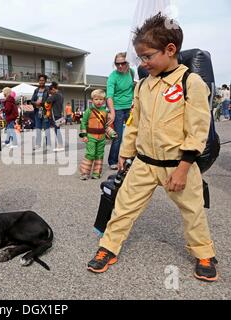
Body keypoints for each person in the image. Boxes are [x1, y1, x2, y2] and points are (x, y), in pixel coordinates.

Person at [87, 13, 218, 282]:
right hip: (144, 163)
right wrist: (125, 151)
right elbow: (135, 122)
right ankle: (108, 247)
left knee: (192, 211)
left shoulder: (190, 83)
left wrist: (184, 168)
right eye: (141, 59)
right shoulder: (143, 86)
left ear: (170, 50)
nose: (144, 64)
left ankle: (204, 253)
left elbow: (197, 129)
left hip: (178, 165)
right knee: (123, 207)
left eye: (147, 57)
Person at [79, 89, 117, 180]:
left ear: (104, 101)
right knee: (90, 154)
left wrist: (112, 133)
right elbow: (83, 122)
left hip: (102, 137)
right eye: (96, 99)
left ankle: (96, 173)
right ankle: (84, 173)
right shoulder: (89, 111)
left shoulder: (105, 112)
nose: (99, 101)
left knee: (99, 154)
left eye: (101, 99)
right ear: (92, 100)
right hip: (91, 136)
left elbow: (106, 125)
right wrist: (84, 135)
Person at [106, 52, 135, 170]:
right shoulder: (113, 76)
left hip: (130, 107)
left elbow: (134, 88)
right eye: (117, 64)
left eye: (123, 63)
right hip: (117, 108)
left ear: (127, 63)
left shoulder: (132, 73)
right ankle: (112, 160)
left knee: (133, 134)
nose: (120, 66)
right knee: (118, 136)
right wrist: (112, 112)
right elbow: (109, 96)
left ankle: (131, 159)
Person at [31, 74, 49, 150]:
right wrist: (35, 103)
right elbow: (32, 100)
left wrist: (41, 103)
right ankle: (38, 144)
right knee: (38, 128)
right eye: (40, 80)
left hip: (45, 112)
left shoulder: (48, 90)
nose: (41, 82)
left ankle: (48, 144)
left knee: (46, 129)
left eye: (43, 80)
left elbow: (49, 100)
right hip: (37, 112)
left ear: (45, 81)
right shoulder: (36, 90)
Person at [45, 81, 64, 152]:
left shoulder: (56, 95)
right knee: (57, 129)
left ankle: (60, 145)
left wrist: (49, 96)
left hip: (56, 115)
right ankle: (60, 144)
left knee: (57, 130)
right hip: (59, 114)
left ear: (53, 89)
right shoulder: (61, 94)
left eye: (50, 92)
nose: (50, 93)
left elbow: (48, 100)